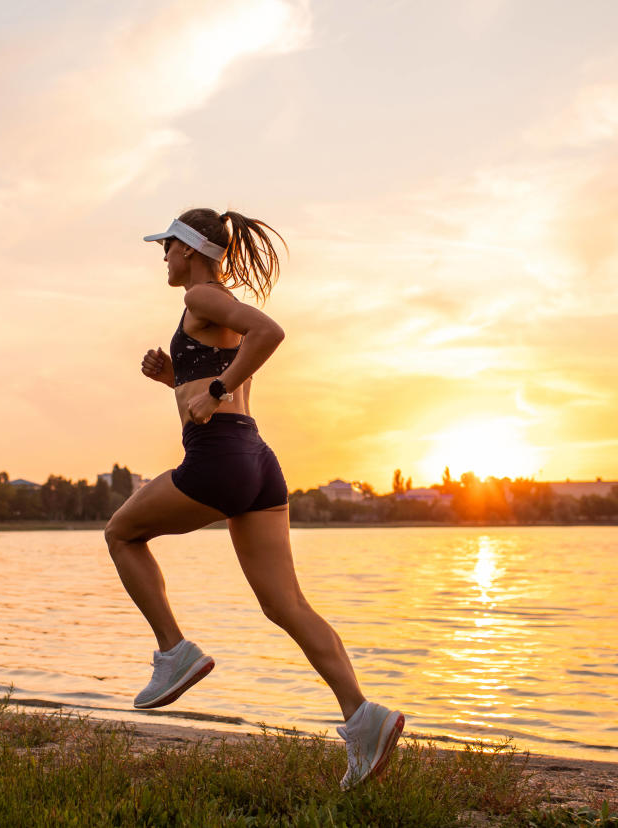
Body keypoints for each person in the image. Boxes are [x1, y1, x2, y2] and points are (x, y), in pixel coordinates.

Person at [104, 207, 405, 789]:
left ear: (188, 251)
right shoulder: (211, 314)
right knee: (285, 604)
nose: (162, 258)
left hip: (219, 458)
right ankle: (364, 719)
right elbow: (231, 371)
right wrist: (177, 379)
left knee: (120, 533)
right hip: (257, 462)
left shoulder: (203, 298)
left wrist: (210, 391)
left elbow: (271, 333)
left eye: (166, 248)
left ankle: (175, 652)